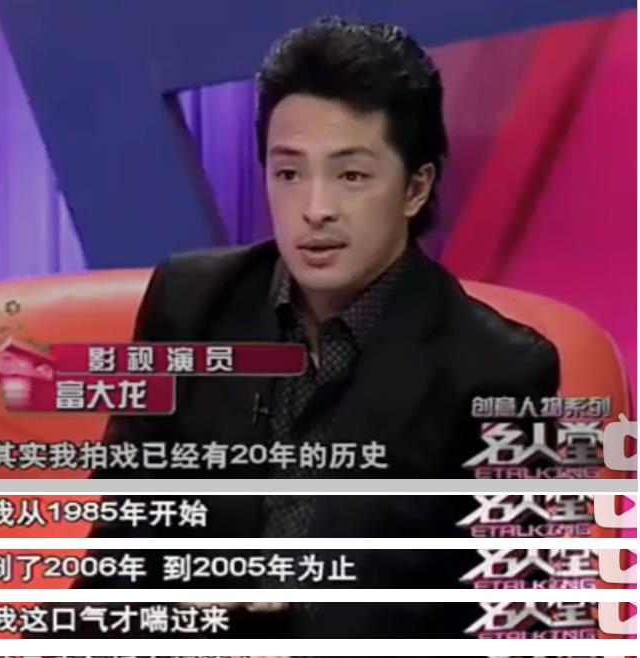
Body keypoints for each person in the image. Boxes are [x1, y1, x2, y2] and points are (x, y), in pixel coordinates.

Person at [95, 15, 559, 481]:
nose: (316, 210)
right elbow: (127, 512)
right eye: (289, 174)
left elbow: (521, 531)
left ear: (415, 188)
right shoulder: (187, 305)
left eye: (351, 175)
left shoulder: (501, 369)